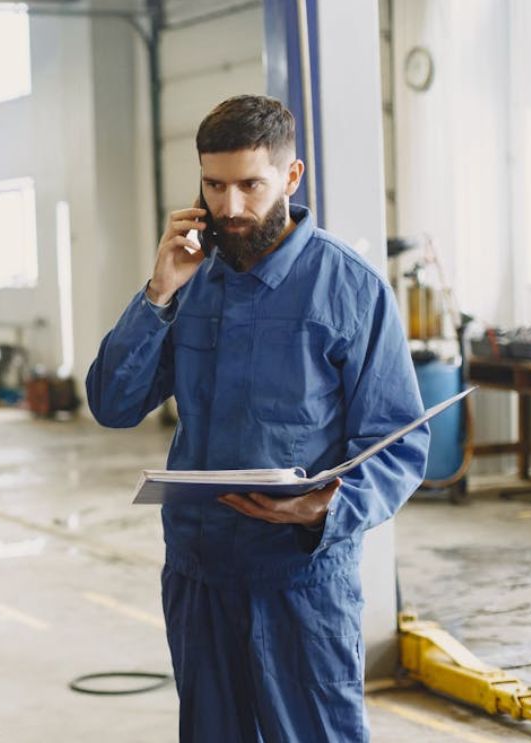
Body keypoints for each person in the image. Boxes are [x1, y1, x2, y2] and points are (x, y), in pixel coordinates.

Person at [86, 95, 429, 742]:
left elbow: (399, 444)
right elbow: (111, 403)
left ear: (290, 177)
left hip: (297, 579)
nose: (231, 207)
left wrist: (324, 508)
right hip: (197, 569)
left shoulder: (349, 290)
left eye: (250, 184)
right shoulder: (190, 281)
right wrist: (158, 291)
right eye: (214, 186)